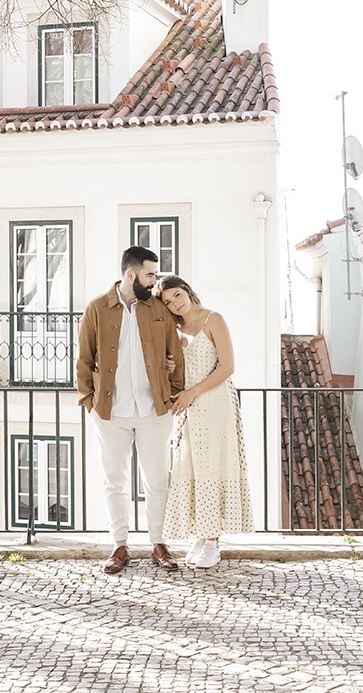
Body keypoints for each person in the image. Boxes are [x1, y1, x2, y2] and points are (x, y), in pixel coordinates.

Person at [77, 246, 186, 574]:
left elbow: (174, 353)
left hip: (155, 409)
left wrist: (175, 393)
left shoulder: (158, 310)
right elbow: (84, 358)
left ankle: (158, 543)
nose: (155, 281)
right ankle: (119, 545)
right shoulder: (97, 308)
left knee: (157, 479)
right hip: (110, 411)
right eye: (150, 274)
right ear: (130, 274)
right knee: (115, 479)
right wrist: (89, 401)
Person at [158, 274, 252, 568]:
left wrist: (192, 393)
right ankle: (202, 532)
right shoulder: (174, 330)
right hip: (189, 407)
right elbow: (181, 370)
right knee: (191, 468)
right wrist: (172, 367)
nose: (175, 304)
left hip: (214, 403)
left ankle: (213, 541)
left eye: (177, 296)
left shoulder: (214, 320)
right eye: (168, 302)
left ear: (186, 291)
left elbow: (227, 366)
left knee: (212, 465)